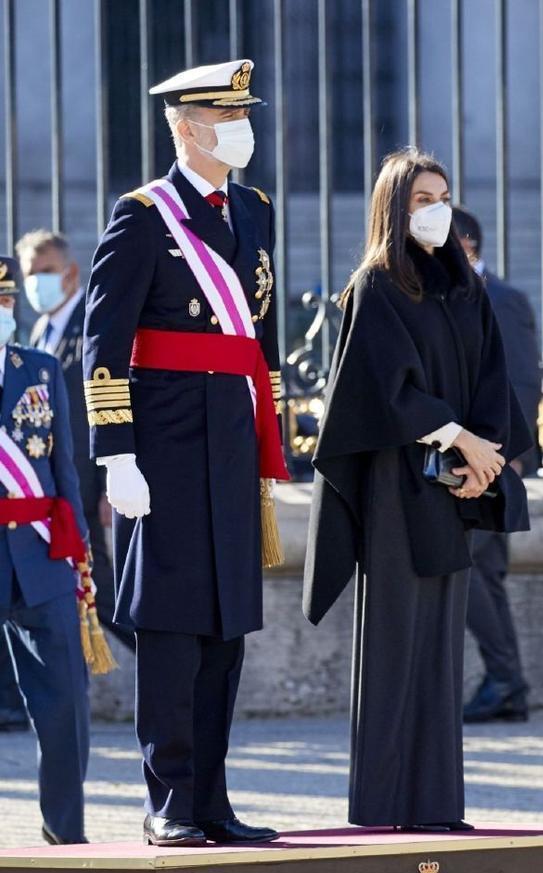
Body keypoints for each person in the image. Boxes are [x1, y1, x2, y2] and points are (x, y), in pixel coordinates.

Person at [83, 59, 288, 848]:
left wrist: (270, 436)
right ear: (185, 126)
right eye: (226, 116)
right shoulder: (142, 215)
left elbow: (257, 337)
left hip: (231, 446)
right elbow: (101, 344)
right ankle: (167, 798)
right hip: (163, 451)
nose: (243, 127)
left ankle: (211, 797)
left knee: (224, 632)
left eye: (244, 114)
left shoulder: (255, 209)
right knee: (171, 631)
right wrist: (116, 454)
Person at [303, 148, 531, 831]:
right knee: (395, 644)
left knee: (439, 649)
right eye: (422, 198)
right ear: (393, 207)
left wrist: (482, 459)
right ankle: (381, 808)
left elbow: (493, 376)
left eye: (443, 195)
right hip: (396, 491)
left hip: (453, 491)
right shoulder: (375, 288)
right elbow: (381, 391)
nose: (437, 209)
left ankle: (435, 806)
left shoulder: (463, 287)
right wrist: (458, 439)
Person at [0, 255, 91, 844]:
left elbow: (63, 471)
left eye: (6, 301)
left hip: (41, 556)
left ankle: (67, 836)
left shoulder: (37, 369)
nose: (3, 311)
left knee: (66, 708)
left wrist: (78, 551)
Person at [16, 230, 135, 655]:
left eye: (45, 272)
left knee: (99, 586)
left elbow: (113, 398)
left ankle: (164, 665)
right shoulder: (41, 331)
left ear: (70, 273)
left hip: (88, 480)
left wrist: (110, 478)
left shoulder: (92, 322)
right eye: (30, 274)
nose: (36, 284)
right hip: (55, 488)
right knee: (85, 587)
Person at [453, 206, 541, 722]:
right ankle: (508, 685)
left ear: (466, 245)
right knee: (483, 574)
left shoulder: (502, 299)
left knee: (467, 571)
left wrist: (502, 459)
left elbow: (523, 383)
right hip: (470, 460)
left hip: (491, 463)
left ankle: (506, 681)